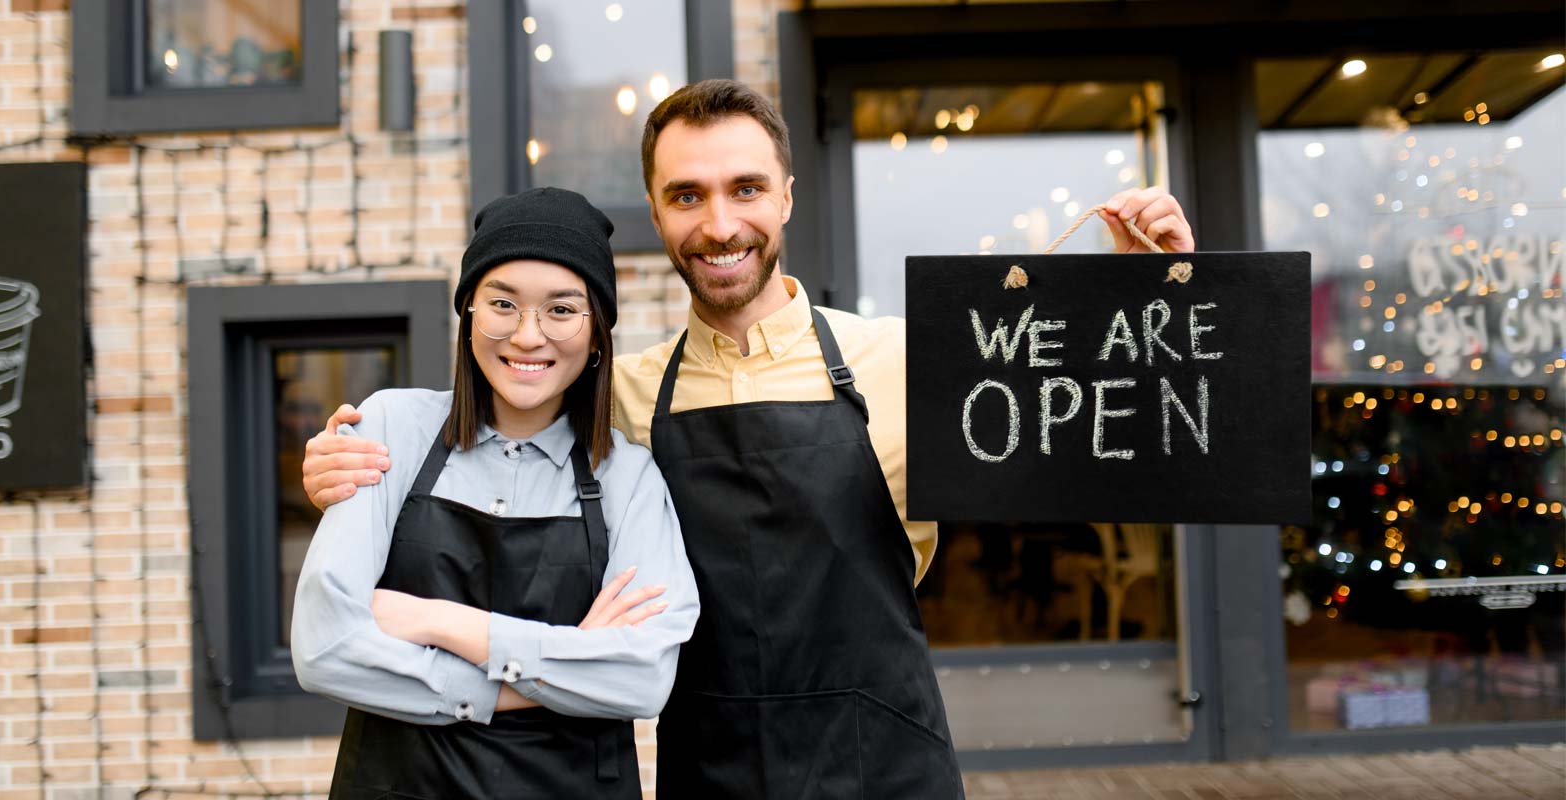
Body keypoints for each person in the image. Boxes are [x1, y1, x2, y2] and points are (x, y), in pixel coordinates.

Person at [301, 79, 1195, 797]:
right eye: (687, 195)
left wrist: (1145, 301)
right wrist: (346, 466)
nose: (720, 223)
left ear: (787, 197)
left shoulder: (907, 360)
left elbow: (1092, 440)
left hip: (885, 764)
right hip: (711, 766)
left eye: (746, 189)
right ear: (657, 213)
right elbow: (495, 438)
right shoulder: (620, 398)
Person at [289, 188, 698, 800]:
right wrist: (547, 671)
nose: (528, 336)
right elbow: (325, 646)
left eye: (562, 310)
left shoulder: (627, 476)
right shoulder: (389, 429)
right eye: (503, 303)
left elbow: (639, 680)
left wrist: (439, 621)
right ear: (470, 314)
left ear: (596, 337)